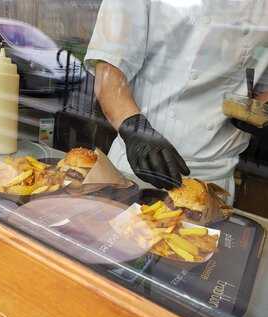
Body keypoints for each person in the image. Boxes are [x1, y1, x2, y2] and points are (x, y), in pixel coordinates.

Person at [85, 0, 268, 203]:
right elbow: (109, 71)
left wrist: (262, 109)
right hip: (138, 171)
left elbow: (260, 77)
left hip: (215, 182)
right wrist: (134, 129)